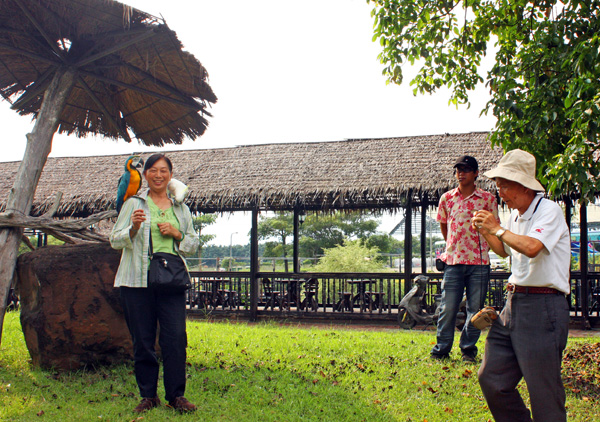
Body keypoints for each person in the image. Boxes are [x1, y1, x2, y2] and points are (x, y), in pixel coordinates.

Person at [472, 149, 571, 422]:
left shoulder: (549, 211)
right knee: (492, 378)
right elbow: (504, 251)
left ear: (524, 185)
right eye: (499, 184)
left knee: (543, 391)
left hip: (544, 306)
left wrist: (497, 230)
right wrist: (487, 230)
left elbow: (531, 247)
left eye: (505, 184)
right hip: (513, 305)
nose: (500, 191)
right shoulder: (516, 216)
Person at [110, 154, 199, 413]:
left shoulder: (181, 209)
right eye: (153, 170)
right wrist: (133, 229)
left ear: (170, 175)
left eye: (163, 171)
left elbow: (192, 244)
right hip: (135, 281)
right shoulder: (133, 204)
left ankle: (176, 396)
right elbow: (114, 240)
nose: (158, 175)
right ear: (145, 174)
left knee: (175, 339)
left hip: (170, 281)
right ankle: (148, 395)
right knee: (143, 340)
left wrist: (177, 233)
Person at [431, 155, 500, 362]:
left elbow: (495, 227)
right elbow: (444, 225)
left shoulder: (488, 199)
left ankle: (468, 349)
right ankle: (441, 350)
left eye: (466, 169)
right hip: (453, 262)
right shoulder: (447, 198)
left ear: (476, 173)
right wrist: (454, 246)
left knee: (475, 310)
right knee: (448, 307)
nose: (461, 173)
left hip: (479, 263)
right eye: (458, 169)